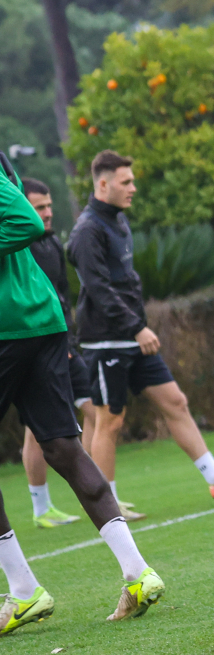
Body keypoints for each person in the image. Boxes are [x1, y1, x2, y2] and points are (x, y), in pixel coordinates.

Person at [0, 156, 164, 633]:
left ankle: (24, 591)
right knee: (62, 447)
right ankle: (138, 573)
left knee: (67, 446)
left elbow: (27, 223)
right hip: (39, 321)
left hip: (9, 325)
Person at [66, 151, 214, 518]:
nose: (133, 188)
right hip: (107, 340)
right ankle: (106, 506)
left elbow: (125, 281)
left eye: (132, 181)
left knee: (175, 402)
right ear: (103, 184)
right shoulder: (87, 230)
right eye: (126, 182)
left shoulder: (117, 220)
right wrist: (136, 327)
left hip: (132, 337)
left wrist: (137, 326)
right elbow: (98, 288)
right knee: (110, 420)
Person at [20, 179, 96, 527]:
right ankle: (43, 509)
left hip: (65, 343)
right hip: (44, 347)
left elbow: (61, 296)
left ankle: (99, 489)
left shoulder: (51, 242)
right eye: (40, 208)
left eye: (49, 206)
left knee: (95, 412)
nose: (48, 213)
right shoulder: (20, 249)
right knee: (38, 429)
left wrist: (68, 337)